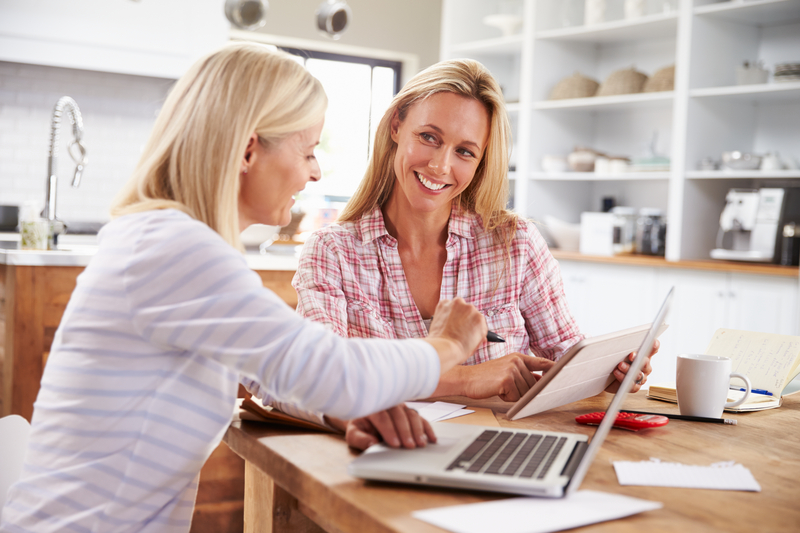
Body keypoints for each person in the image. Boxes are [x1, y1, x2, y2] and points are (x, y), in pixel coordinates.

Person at [0, 44, 489, 533]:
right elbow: (333, 370)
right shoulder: (173, 249)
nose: (315, 171)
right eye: (308, 151)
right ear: (249, 150)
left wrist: (342, 413)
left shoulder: (174, 241)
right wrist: (446, 343)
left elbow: (275, 376)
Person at [291, 58, 657, 449]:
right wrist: (470, 378)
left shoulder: (514, 243)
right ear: (397, 125)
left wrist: (611, 371)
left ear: (481, 161)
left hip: (503, 453)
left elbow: (566, 357)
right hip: (384, 455)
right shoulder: (332, 252)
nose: (440, 165)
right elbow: (322, 379)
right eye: (429, 137)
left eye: (465, 151)